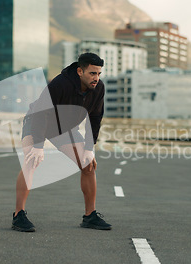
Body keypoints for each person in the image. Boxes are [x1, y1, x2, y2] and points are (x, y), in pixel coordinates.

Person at [12, 53, 111, 232]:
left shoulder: (99, 88)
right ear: (80, 71)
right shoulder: (61, 84)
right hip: (37, 121)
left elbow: (95, 117)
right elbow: (42, 113)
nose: (96, 78)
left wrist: (90, 148)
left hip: (64, 129)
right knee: (31, 160)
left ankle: (90, 216)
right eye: (92, 73)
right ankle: (19, 214)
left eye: (98, 74)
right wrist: (37, 146)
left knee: (88, 165)